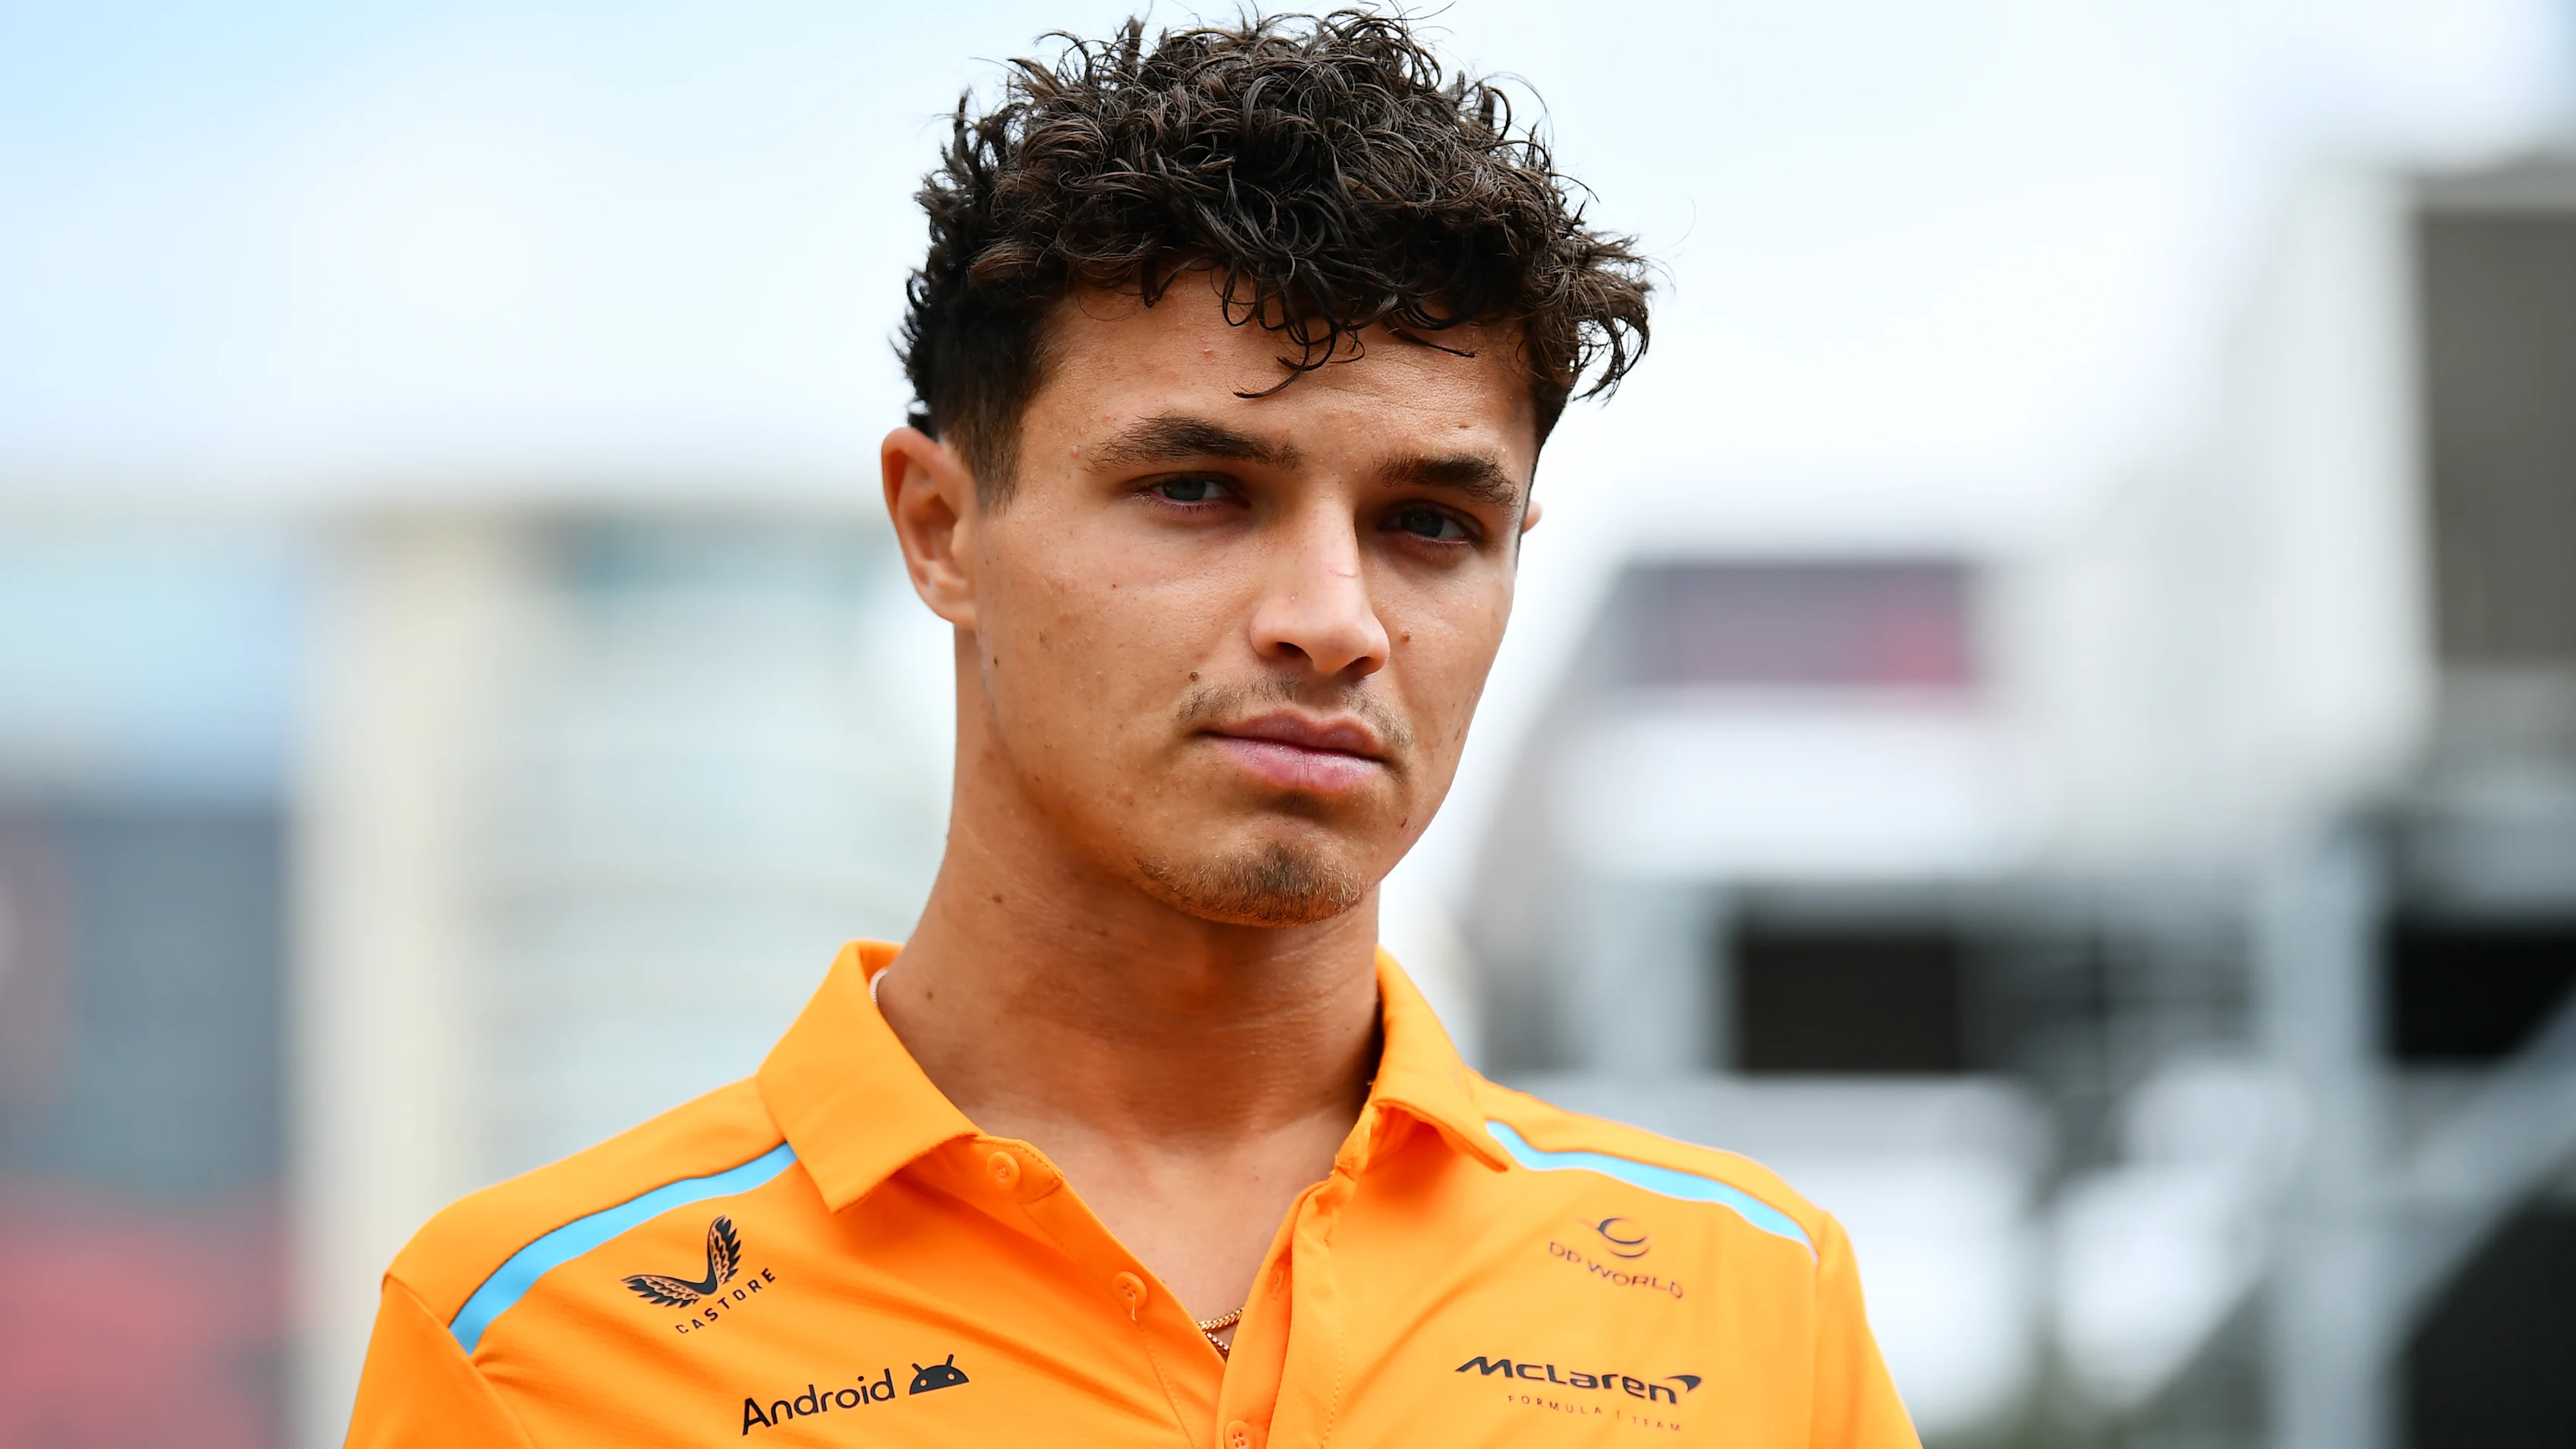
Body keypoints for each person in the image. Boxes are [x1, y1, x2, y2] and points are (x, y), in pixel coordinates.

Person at [346, 11, 1917, 1447]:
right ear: (942, 527)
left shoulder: (1752, 1307)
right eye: (1197, 491)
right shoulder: (534, 1343)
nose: (1335, 617)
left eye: (1431, 522)